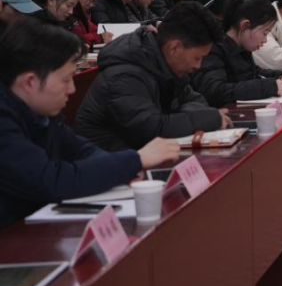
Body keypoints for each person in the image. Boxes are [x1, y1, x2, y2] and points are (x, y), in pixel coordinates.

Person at [0, 20, 180, 229]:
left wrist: (124, 170)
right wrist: (135, 160)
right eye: (66, 79)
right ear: (30, 81)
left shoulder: (41, 111)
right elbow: (51, 180)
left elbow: (80, 149)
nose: (72, 89)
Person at [76, 1, 232, 152]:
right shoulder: (125, 75)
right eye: (197, 58)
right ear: (174, 48)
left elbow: (196, 101)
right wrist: (204, 119)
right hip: (106, 160)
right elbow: (150, 130)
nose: (198, 66)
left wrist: (182, 119)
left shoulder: (166, 65)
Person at [191, 0, 282, 107]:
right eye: (264, 33)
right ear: (245, 25)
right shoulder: (214, 48)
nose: (265, 40)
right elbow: (215, 91)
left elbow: (254, 73)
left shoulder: (242, 47)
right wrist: (269, 86)